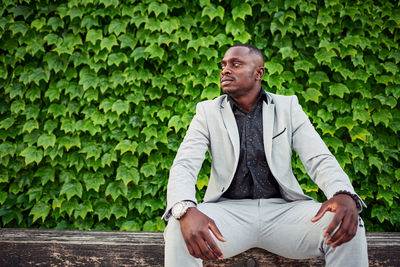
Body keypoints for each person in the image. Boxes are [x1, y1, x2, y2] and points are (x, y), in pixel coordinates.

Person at [163, 44, 368, 266]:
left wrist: (343, 193)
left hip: (284, 213)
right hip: (227, 214)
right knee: (177, 227)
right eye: (223, 65)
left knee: (347, 221)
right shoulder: (207, 112)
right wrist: (184, 208)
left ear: (259, 73)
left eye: (236, 64)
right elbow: (184, 164)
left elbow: (319, 158)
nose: (225, 70)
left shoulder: (288, 107)